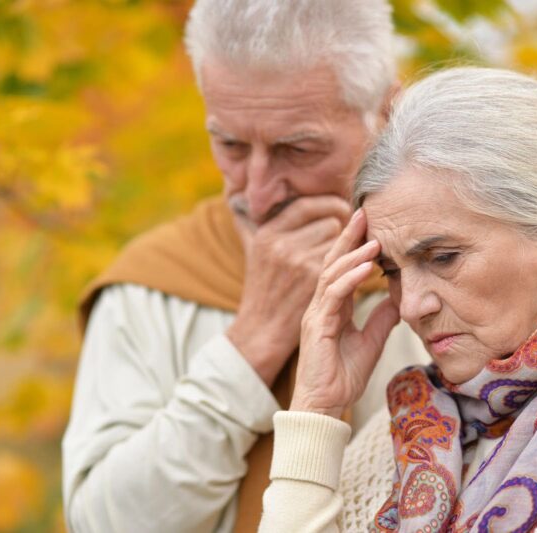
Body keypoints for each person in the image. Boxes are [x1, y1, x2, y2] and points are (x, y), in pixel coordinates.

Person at [61, 1, 430, 532]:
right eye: (231, 145)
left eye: (298, 149)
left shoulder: (445, 275)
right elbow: (104, 524)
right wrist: (252, 343)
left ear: (387, 112)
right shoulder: (151, 285)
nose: (257, 194)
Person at [260, 67, 537, 532]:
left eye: (442, 258)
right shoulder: (409, 424)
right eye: (392, 272)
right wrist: (315, 408)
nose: (411, 306)